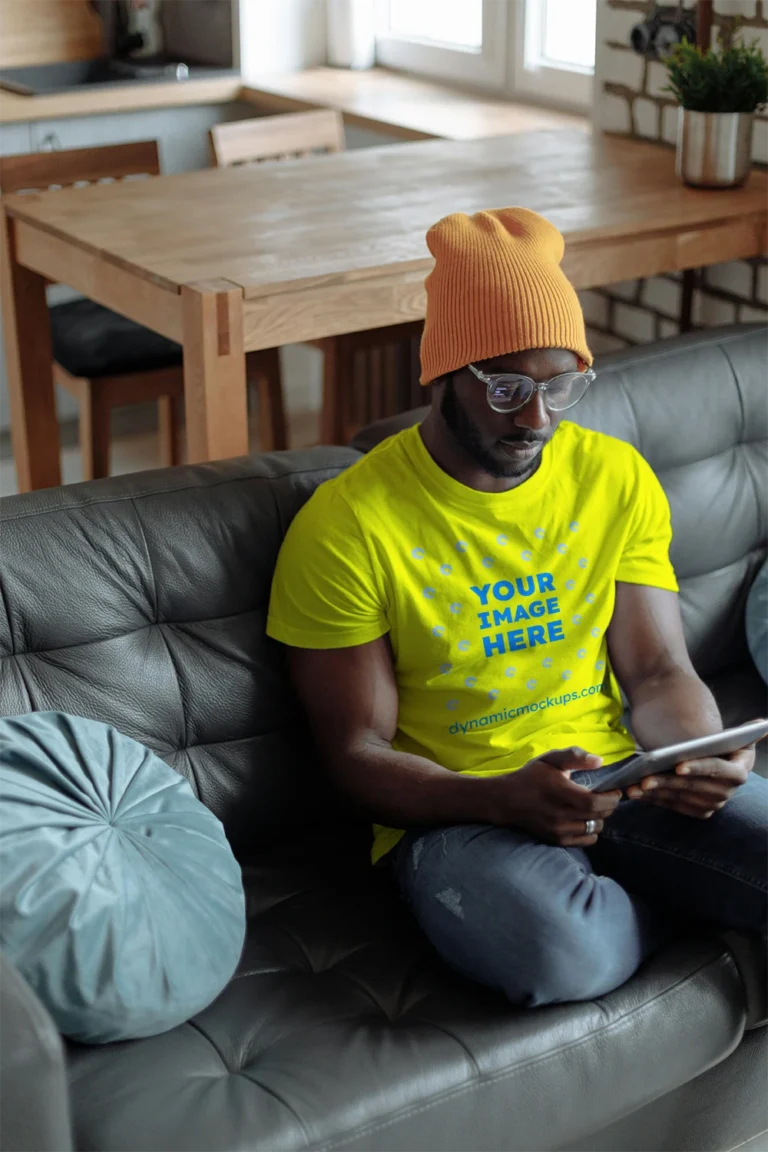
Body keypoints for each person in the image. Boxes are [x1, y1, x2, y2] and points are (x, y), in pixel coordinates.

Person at [267, 206, 766, 1007]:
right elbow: (355, 752)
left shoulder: (613, 477)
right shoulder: (347, 526)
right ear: (440, 376)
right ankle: (702, 903)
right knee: (564, 953)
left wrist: (697, 754)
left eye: (560, 385)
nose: (536, 418)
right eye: (505, 388)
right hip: (458, 817)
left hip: (619, 781)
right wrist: (498, 796)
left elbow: (656, 668)